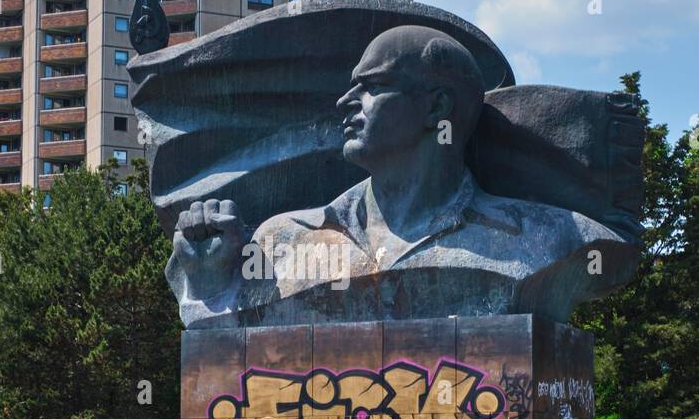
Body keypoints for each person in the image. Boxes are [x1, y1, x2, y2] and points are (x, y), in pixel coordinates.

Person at [167, 25, 636, 328]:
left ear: (437, 107)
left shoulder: (549, 240)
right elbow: (229, 376)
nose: (345, 102)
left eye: (372, 86)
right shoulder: (280, 242)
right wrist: (210, 286)